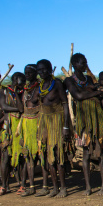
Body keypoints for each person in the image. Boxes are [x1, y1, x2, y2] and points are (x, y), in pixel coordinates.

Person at [65, 53, 103, 195]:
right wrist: (94, 92)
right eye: (83, 63)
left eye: (86, 62)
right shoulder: (69, 81)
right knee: (85, 153)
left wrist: (89, 91)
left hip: (97, 116)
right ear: (75, 64)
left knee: (100, 150)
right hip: (84, 120)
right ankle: (88, 187)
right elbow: (77, 96)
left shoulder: (89, 78)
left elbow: (102, 93)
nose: (85, 65)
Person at [36, 59, 71, 197]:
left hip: (57, 121)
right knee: (48, 155)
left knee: (58, 155)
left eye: (44, 69)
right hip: (45, 122)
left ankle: (63, 188)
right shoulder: (40, 86)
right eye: (39, 70)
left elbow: (64, 104)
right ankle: (55, 188)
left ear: (50, 69)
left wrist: (66, 126)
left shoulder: (56, 83)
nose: (41, 72)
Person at [20, 64, 48, 197]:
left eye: (30, 72)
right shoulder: (25, 90)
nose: (27, 75)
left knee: (42, 155)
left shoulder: (39, 88)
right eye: (26, 73)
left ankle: (45, 186)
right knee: (29, 156)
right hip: (26, 124)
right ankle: (31, 187)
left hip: (37, 123)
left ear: (35, 73)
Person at [0, 72, 25, 195]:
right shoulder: (4, 91)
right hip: (8, 128)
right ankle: (4, 186)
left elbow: (23, 107)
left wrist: (17, 96)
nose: (17, 84)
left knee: (22, 157)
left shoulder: (24, 92)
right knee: (5, 158)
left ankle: (22, 184)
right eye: (15, 81)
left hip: (21, 128)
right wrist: (18, 110)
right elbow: (4, 106)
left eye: (20, 82)